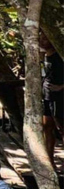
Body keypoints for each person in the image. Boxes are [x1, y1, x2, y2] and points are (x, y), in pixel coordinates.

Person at [42, 34, 64, 163]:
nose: (41, 41)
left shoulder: (59, 56)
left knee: (61, 127)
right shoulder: (45, 55)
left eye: (45, 38)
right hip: (47, 95)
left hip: (58, 98)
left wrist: (61, 87)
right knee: (47, 126)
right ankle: (49, 159)